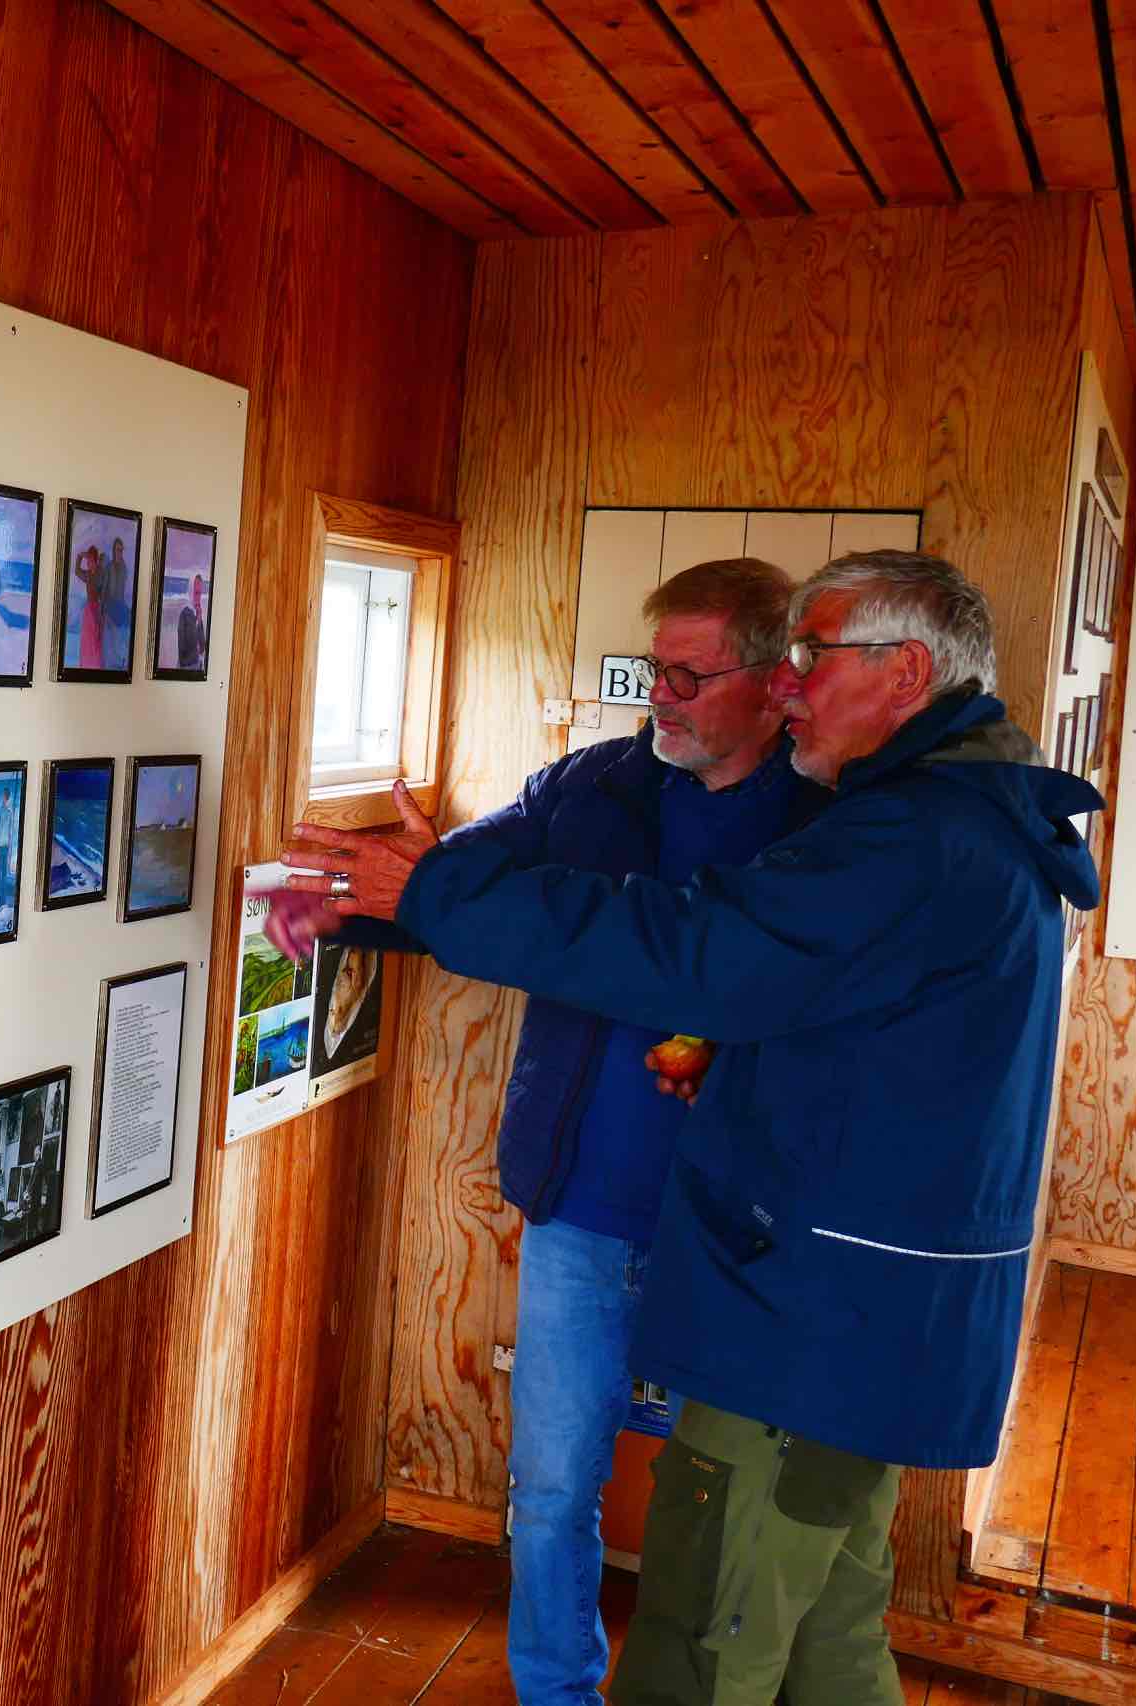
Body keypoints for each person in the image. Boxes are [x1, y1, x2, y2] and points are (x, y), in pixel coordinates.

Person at [283, 551, 1100, 1706]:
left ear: (905, 672)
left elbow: (691, 951)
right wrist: (371, 899)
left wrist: (436, 892)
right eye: (648, 671)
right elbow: (495, 893)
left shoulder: (896, 838)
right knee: (820, 1631)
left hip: (800, 1303)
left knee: (702, 1643)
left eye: (816, 657)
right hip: (814, 1297)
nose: (802, 685)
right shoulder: (930, 816)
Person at [266, 557, 828, 1705]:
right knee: (551, 1485)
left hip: (740, 1231)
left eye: (687, 673)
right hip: (578, 1212)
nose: (658, 696)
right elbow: (455, 891)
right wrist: (346, 911)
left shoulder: (831, 827)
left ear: (777, 683)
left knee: (725, 1492)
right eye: (648, 669)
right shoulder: (590, 785)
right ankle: (556, 1690)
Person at [179, 570, 208, 671]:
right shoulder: (184, 615)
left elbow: (203, 646)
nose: (198, 597)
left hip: (198, 668)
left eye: (200, 593)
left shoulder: (198, 613)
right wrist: (197, 655)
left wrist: (199, 621)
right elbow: (182, 658)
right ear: (190, 591)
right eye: (196, 593)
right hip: (185, 671)